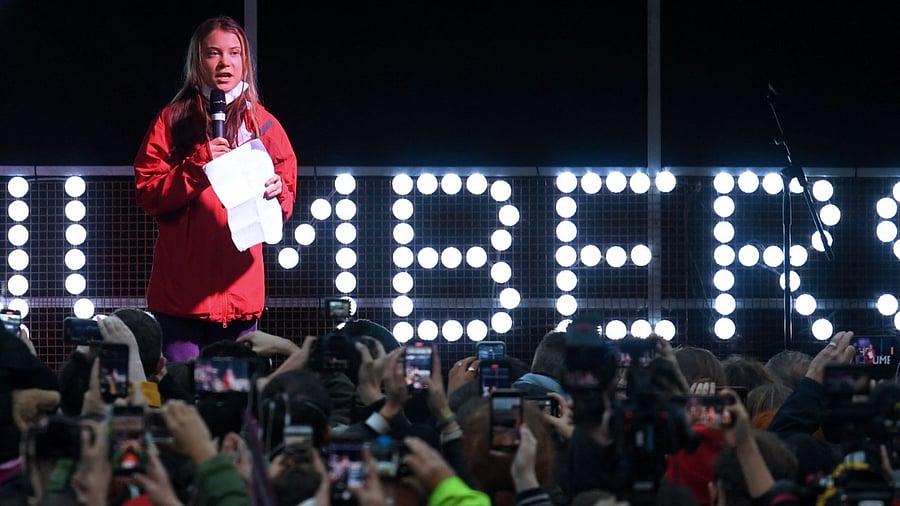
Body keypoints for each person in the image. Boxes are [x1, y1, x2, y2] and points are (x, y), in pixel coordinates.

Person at [133, 15, 298, 362]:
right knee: (184, 400)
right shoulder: (172, 122)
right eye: (213, 53)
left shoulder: (265, 125)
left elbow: (286, 197)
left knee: (231, 404)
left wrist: (277, 193)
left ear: (245, 61)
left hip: (240, 302)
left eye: (234, 53)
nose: (225, 62)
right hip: (181, 303)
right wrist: (199, 167)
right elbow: (148, 192)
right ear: (198, 61)